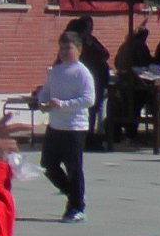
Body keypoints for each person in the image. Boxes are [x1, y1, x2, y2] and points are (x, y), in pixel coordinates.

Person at [33, 32, 96, 222]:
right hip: (55, 126)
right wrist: (42, 103)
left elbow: (88, 99)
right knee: (48, 165)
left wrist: (63, 104)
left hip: (74, 128)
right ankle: (73, 193)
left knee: (73, 167)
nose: (63, 52)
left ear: (79, 50)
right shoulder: (56, 71)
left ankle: (77, 208)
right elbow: (45, 93)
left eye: (68, 48)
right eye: (61, 48)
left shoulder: (82, 72)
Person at [64, 16, 112, 149]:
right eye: (88, 28)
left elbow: (105, 53)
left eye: (92, 28)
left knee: (94, 109)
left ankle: (89, 135)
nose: (90, 31)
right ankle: (85, 137)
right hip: (90, 79)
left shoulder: (93, 41)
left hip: (98, 79)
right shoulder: (79, 45)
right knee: (88, 109)